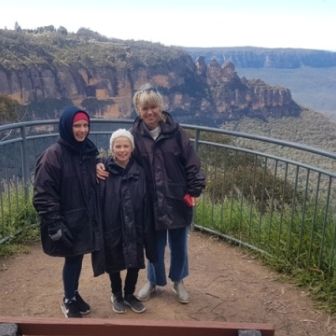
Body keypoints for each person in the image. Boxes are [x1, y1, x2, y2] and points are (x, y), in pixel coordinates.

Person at [97, 83, 205, 304]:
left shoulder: (177, 133)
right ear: (138, 110)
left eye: (153, 107)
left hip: (176, 197)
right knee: (153, 244)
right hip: (149, 201)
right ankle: (153, 281)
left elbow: (192, 163)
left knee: (179, 244)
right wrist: (99, 165)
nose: (150, 113)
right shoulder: (134, 134)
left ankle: (178, 280)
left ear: (161, 107)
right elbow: (121, 156)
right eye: (145, 108)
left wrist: (194, 189)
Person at [33, 106, 101, 318]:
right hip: (64, 219)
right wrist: (55, 224)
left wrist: (99, 164)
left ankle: (73, 293)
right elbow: (43, 193)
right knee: (72, 259)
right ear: (66, 127)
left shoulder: (88, 151)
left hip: (81, 216)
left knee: (77, 257)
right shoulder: (53, 155)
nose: (82, 130)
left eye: (85, 125)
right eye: (77, 126)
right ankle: (68, 299)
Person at [93, 129, 155, 314]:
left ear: (132, 148)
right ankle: (116, 294)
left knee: (135, 259)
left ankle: (129, 294)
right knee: (113, 259)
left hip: (135, 222)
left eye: (125, 145)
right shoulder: (104, 170)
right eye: (117, 146)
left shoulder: (139, 171)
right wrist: (95, 165)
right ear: (112, 148)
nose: (122, 150)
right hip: (112, 222)